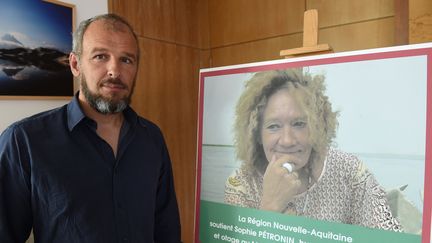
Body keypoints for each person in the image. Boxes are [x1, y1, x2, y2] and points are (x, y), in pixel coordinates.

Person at [0, 14, 181, 243]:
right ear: (75, 64)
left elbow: (167, 232)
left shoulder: (152, 138)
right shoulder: (23, 141)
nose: (114, 71)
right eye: (100, 56)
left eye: (126, 60)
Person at [224, 68, 402, 232]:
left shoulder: (350, 171)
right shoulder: (241, 185)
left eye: (299, 124)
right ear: (256, 134)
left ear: (318, 128)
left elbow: (388, 234)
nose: (287, 140)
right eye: (273, 126)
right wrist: (270, 206)